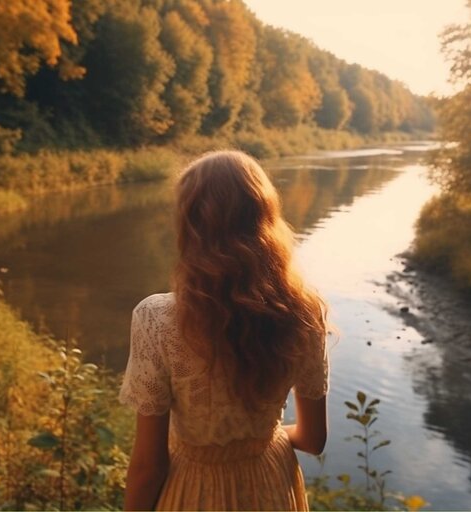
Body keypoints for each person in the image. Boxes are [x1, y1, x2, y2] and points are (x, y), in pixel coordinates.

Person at [119, 150, 329, 510]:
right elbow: (312, 439)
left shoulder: (157, 319)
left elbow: (148, 467)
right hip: (271, 485)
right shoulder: (304, 311)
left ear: (191, 224)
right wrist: (259, 440)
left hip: (194, 491)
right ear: (265, 219)